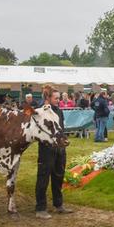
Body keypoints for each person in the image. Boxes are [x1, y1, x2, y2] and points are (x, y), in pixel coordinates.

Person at [35, 86, 71, 219]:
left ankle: (58, 205)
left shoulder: (58, 111)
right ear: (48, 98)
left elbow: (61, 128)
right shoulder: (41, 111)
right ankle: (40, 208)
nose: (58, 100)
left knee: (58, 177)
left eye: (59, 98)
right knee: (43, 178)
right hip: (46, 149)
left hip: (60, 149)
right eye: (56, 98)